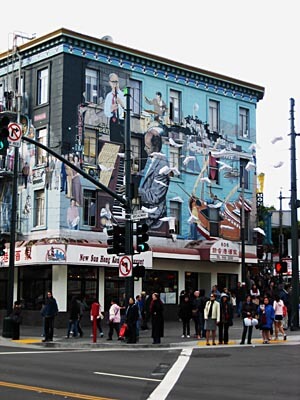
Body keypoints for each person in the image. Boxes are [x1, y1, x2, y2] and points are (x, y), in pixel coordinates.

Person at [138, 126, 170, 229]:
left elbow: (154, 197)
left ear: (155, 147)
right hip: (142, 206)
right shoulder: (152, 157)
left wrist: (135, 191)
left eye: (147, 147)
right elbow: (147, 174)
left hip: (152, 217)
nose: (144, 149)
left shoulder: (163, 166)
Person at [104, 72, 125, 143]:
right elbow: (106, 111)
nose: (115, 84)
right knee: (113, 141)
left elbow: (128, 111)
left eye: (116, 81)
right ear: (110, 83)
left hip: (121, 121)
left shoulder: (123, 95)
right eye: (113, 82)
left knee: (121, 142)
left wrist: (121, 103)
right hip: (113, 121)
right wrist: (111, 109)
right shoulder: (109, 96)